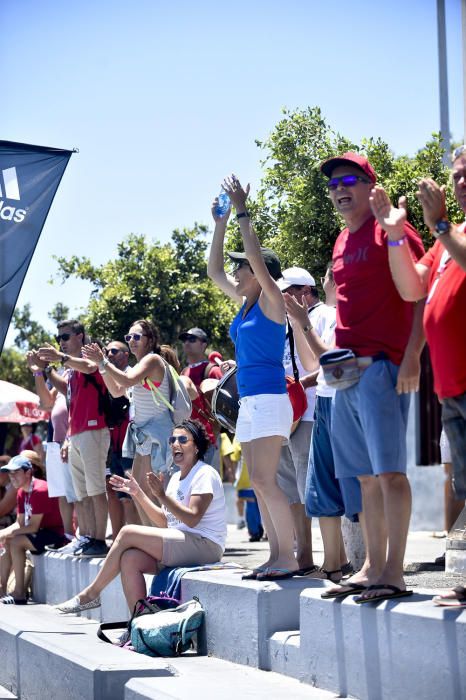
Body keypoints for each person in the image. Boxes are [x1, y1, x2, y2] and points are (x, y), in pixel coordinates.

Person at [318, 152, 425, 603]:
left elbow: (419, 295)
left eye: (350, 180)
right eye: (333, 184)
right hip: (345, 372)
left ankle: (393, 572)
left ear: (369, 185)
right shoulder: (342, 240)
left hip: (384, 367)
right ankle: (370, 565)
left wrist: (414, 356)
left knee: (389, 475)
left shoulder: (393, 230)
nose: (340, 189)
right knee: (361, 477)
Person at [374, 145, 466, 607]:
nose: (460, 182)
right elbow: (412, 287)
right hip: (452, 387)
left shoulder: (450, 235)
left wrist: (441, 226)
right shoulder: (444, 240)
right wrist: (394, 238)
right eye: (457, 176)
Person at [208, 175, 296, 581]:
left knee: (264, 479)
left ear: (258, 272)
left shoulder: (273, 301)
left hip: (270, 400)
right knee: (259, 484)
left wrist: (243, 212)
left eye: (240, 266)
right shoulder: (244, 307)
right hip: (250, 403)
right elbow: (212, 271)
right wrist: (220, 222)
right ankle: (277, 556)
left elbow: (258, 262)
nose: (236, 271)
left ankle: (288, 558)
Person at [55, 420, 226, 614]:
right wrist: (138, 494)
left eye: (182, 439)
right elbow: (165, 522)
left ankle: (91, 595)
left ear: (196, 447)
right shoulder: (176, 479)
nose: (175, 444)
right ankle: (140, 622)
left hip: (206, 545)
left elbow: (193, 518)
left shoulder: (204, 473)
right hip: (182, 543)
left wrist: (161, 496)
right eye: (172, 439)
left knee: (127, 531)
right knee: (130, 559)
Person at [284, 263, 362, 585]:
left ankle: (354, 563)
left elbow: (328, 363)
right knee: (320, 490)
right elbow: (317, 365)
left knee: (352, 487)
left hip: (338, 403)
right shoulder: (318, 317)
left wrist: (303, 325)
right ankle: (333, 565)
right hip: (325, 405)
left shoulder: (331, 315)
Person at [81, 320, 176, 527]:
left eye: (137, 337)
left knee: (152, 492)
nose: (131, 341)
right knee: (139, 491)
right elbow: (117, 391)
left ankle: (163, 543)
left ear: (150, 340)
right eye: (129, 337)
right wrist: (101, 365)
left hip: (157, 434)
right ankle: (153, 541)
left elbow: (125, 381)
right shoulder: (140, 366)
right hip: (144, 435)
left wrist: (103, 363)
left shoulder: (152, 360)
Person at [38, 320, 111, 558]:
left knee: (96, 490)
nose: (62, 342)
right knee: (81, 493)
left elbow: (91, 367)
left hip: (94, 430)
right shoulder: (69, 368)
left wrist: (59, 356)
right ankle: (88, 537)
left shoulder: (89, 354)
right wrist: (46, 368)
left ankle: (99, 540)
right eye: (59, 338)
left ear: (80, 336)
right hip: (77, 434)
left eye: (66, 337)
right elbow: (62, 389)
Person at [276, 266, 330, 575]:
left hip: (309, 412)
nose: (282, 297)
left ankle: (330, 557)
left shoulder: (322, 316)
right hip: (287, 416)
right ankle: (303, 554)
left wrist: (299, 386)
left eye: (287, 291)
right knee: (291, 489)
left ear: (304, 292)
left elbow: (328, 361)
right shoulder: (285, 323)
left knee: (311, 486)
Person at [26, 350, 77, 547]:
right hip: (55, 438)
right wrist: (38, 372)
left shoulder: (76, 369)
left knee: (78, 493)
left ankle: (84, 536)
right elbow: (46, 403)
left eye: (65, 339)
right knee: (61, 492)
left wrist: (47, 369)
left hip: (73, 437)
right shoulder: (60, 373)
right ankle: (69, 536)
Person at [0, 455, 65, 604]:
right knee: (8, 539)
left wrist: (6, 534)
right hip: (39, 533)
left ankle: (19, 593)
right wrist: (2, 534)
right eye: (10, 473)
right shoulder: (22, 491)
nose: (12, 477)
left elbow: (33, 526)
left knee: (15, 541)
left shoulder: (40, 489)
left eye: (16, 472)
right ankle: (2, 588)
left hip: (56, 534)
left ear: (28, 472)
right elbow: (20, 523)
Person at [102, 340, 139, 537]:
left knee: (133, 495)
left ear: (126, 354)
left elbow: (121, 392)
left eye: (114, 351)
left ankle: (138, 539)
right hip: (114, 445)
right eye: (106, 351)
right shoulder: (108, 377)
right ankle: (124, 538)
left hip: (132, 444)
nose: (109, 354)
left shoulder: (132, 374)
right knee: (121, 495)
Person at [179, 327, 223, 469]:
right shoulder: (184, 372)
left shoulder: (212, 370)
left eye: (192, 339)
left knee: (207, 481)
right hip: (187, 435)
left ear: (204, 345)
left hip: (208, 436)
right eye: (185, 339)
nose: (187, 342)